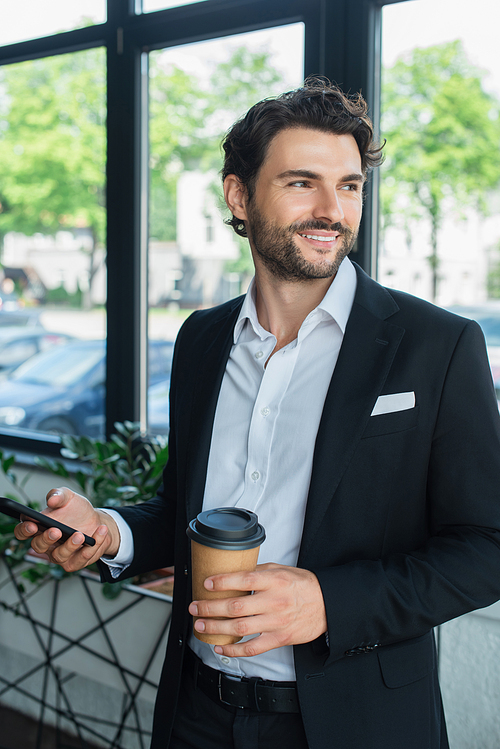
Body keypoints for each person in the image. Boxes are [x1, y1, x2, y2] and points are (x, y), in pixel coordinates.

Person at [15, 78, 500, 749]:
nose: (334, 209)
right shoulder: (200, 339)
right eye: (303, 182)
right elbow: (185, 508)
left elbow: (486, 546)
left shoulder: (438, 345)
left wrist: (329, 601)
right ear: (238, 194)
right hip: (197, 714)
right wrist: (107, 530)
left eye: (351, 185)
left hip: (356, 724)